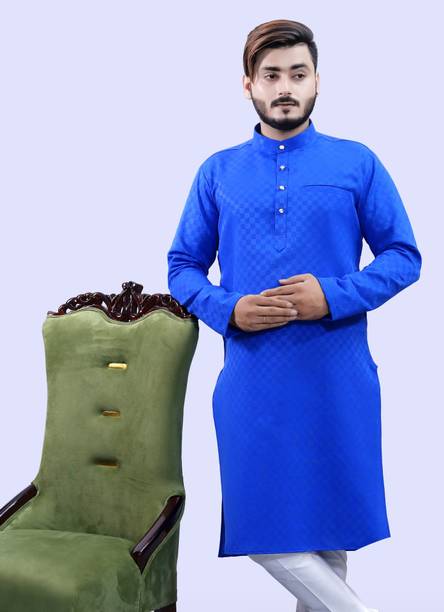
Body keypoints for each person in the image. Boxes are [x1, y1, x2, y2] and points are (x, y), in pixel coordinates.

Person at [167, 18, 421, 612]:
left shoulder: (357, 162)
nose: (285, 87)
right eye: (271, 75)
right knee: (268, 536)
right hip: (253, 382)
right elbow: (182, 266)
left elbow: (403, 256)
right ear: (248, 84)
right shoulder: (218, 172)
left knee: (331, 541)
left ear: (317, 81)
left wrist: (331, 296)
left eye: (297, 74)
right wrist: (230, 307)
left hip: (338, 378)